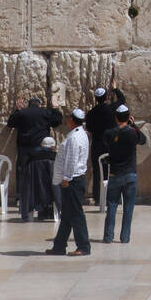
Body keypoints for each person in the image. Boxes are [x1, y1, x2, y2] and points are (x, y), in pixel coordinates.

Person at [45, 109, 91, 257]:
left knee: (76, 214)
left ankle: (83, 246)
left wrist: (66, 179)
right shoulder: (81, 134)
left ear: (72, 120)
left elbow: (71, 160)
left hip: (72, 180)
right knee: (67, 215)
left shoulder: (74, 138)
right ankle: (59, 246)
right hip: (75, 178)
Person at [6, 95, 62, 219]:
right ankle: (44, 200)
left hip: (24, 149)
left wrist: (17, 110)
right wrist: (55, 108)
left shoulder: (23, 113)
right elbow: (57, 121)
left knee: (23, 172)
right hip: (41, 149)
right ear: (40, 105)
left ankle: (21, 198)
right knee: (42, 175)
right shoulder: (44, 112)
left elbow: (10, 123)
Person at [102, 104, 146, 244]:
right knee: (128, 209)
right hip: (130, 175)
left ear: (115, 118)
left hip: (115, 174)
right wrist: (134, 126)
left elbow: (108, 145)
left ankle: (108, 237)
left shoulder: (108, 134)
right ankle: (125, 237)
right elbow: (143, 140)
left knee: (112, 207)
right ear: (128, 118)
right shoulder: (132, 133)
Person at [85, 79, 125, 206]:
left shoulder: (91, 113)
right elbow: (122, 100)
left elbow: (89, 128)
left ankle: (98, 197)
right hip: (110, 144)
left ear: (96, 99)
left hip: (97, 145)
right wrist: (115, 89)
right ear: (107, 97)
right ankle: (112, 196)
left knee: (97, 171)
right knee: (112, 169)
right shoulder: (112, 108)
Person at [19, 135, 62, 222]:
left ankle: (29, 214)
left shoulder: (31, 157)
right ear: (53, 147)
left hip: (33, 190)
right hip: (52, 190)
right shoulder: (55, 157)